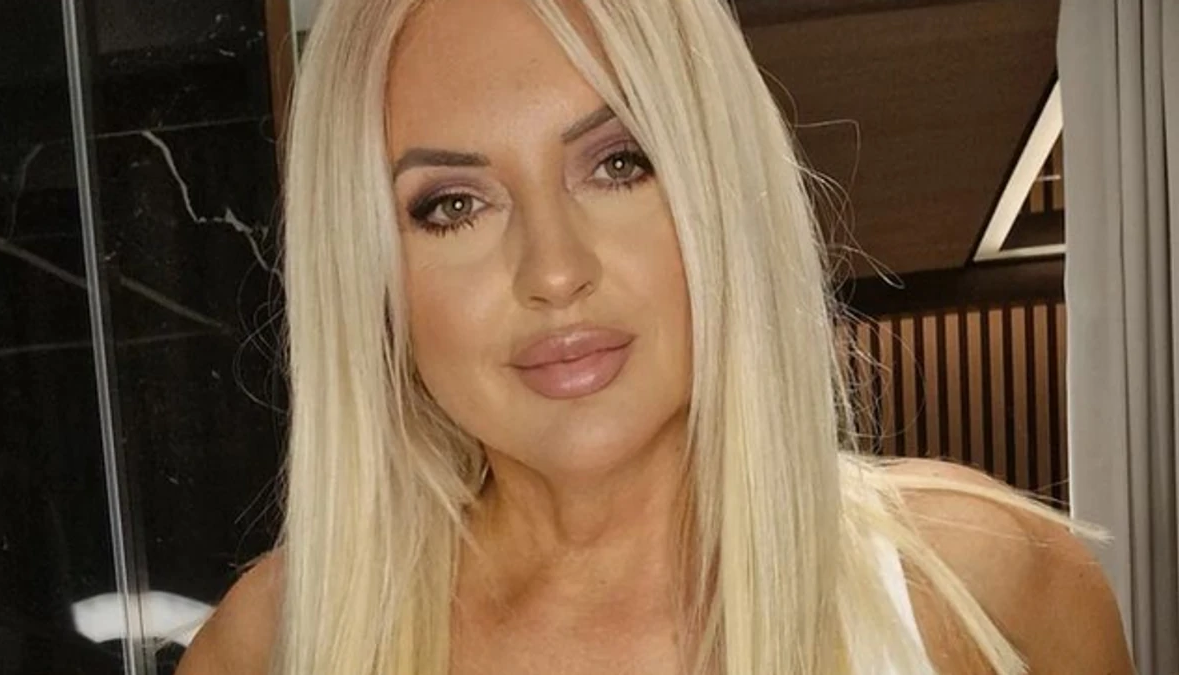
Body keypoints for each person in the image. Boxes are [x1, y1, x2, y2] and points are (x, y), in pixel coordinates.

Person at [177, 0, 1135, 673]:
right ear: (372, 274)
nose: (555, 270)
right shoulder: (271, 647)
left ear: (720, 184)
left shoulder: (996, 586)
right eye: (453, 205)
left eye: (619, 162)